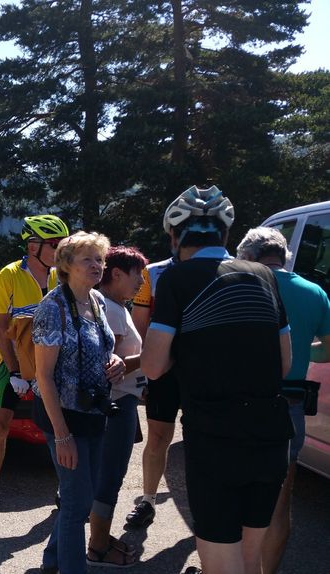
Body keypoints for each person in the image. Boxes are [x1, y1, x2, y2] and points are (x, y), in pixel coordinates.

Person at [141, 186, 293, 574]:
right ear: (225, 235)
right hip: (271, 434)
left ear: (175, 237)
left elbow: (153, 366)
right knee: (249, 559)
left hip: (215, 438)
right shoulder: (266, 276)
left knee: (221, 563)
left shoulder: (177, 279)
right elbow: (284, 365)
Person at [236, 227, 330, 573]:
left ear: (247, 256)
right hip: (289, 406)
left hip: (240, 405)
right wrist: (301, 350)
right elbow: (329, 348)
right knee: (279, 502)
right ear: (284, 256)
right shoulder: (313, 291)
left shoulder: (237, 285)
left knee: (235, 496)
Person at [31, 231, 126, 574]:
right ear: (66, 265)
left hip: (93, 413)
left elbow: (101, 347)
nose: (97, 266)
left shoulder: (97, 302)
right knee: (75, 503)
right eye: (88, 259)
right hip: (64, 418)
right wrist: (62, 435)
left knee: (81, 499)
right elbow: (44, 376)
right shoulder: (52, 308)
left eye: (100, 259)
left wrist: (114, 361)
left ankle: (52, 561)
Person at [0, 214, 68, 521]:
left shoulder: (62, 275)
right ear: (33, 246)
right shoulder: (9, 276)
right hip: (15, 365)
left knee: (59, 427)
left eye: (62, 244)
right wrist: (15, 371)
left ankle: (64, 488)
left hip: (53, 365)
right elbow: (2, 329)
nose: (59, 250)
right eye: (54, 244)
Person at [86, 246, 149, 568]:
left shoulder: (115, 306)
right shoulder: (109, 309)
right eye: (137, 274)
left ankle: (101, 537)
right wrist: (153, 357)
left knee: (109, 473)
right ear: (116, 274)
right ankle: (97, 546)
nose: (141, 281)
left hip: (122, 400)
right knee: (110, 474)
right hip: (115, 403)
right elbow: (110, 364)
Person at [126, 216, 181, 529]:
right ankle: (147, 500)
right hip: (164, 368)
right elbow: (139, 326)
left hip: (205, 370)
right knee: (158, 436)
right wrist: (144, 372)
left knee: (203, 440)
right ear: (173, 235)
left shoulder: (229, 269)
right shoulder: (154, 272)